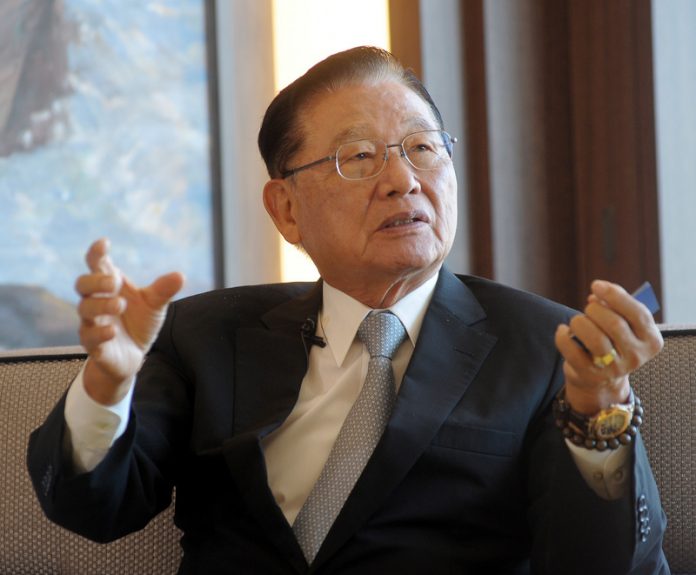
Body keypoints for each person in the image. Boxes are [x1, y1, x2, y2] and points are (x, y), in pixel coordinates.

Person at [27, 46, 669, 574]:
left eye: (423, 148)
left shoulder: (547, 348)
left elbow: (605, 565)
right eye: (360, 157)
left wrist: (599, 414)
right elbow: (93, 511)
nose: (403, 180)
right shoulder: (204, 336)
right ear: (286, 210)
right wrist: (108, 383)